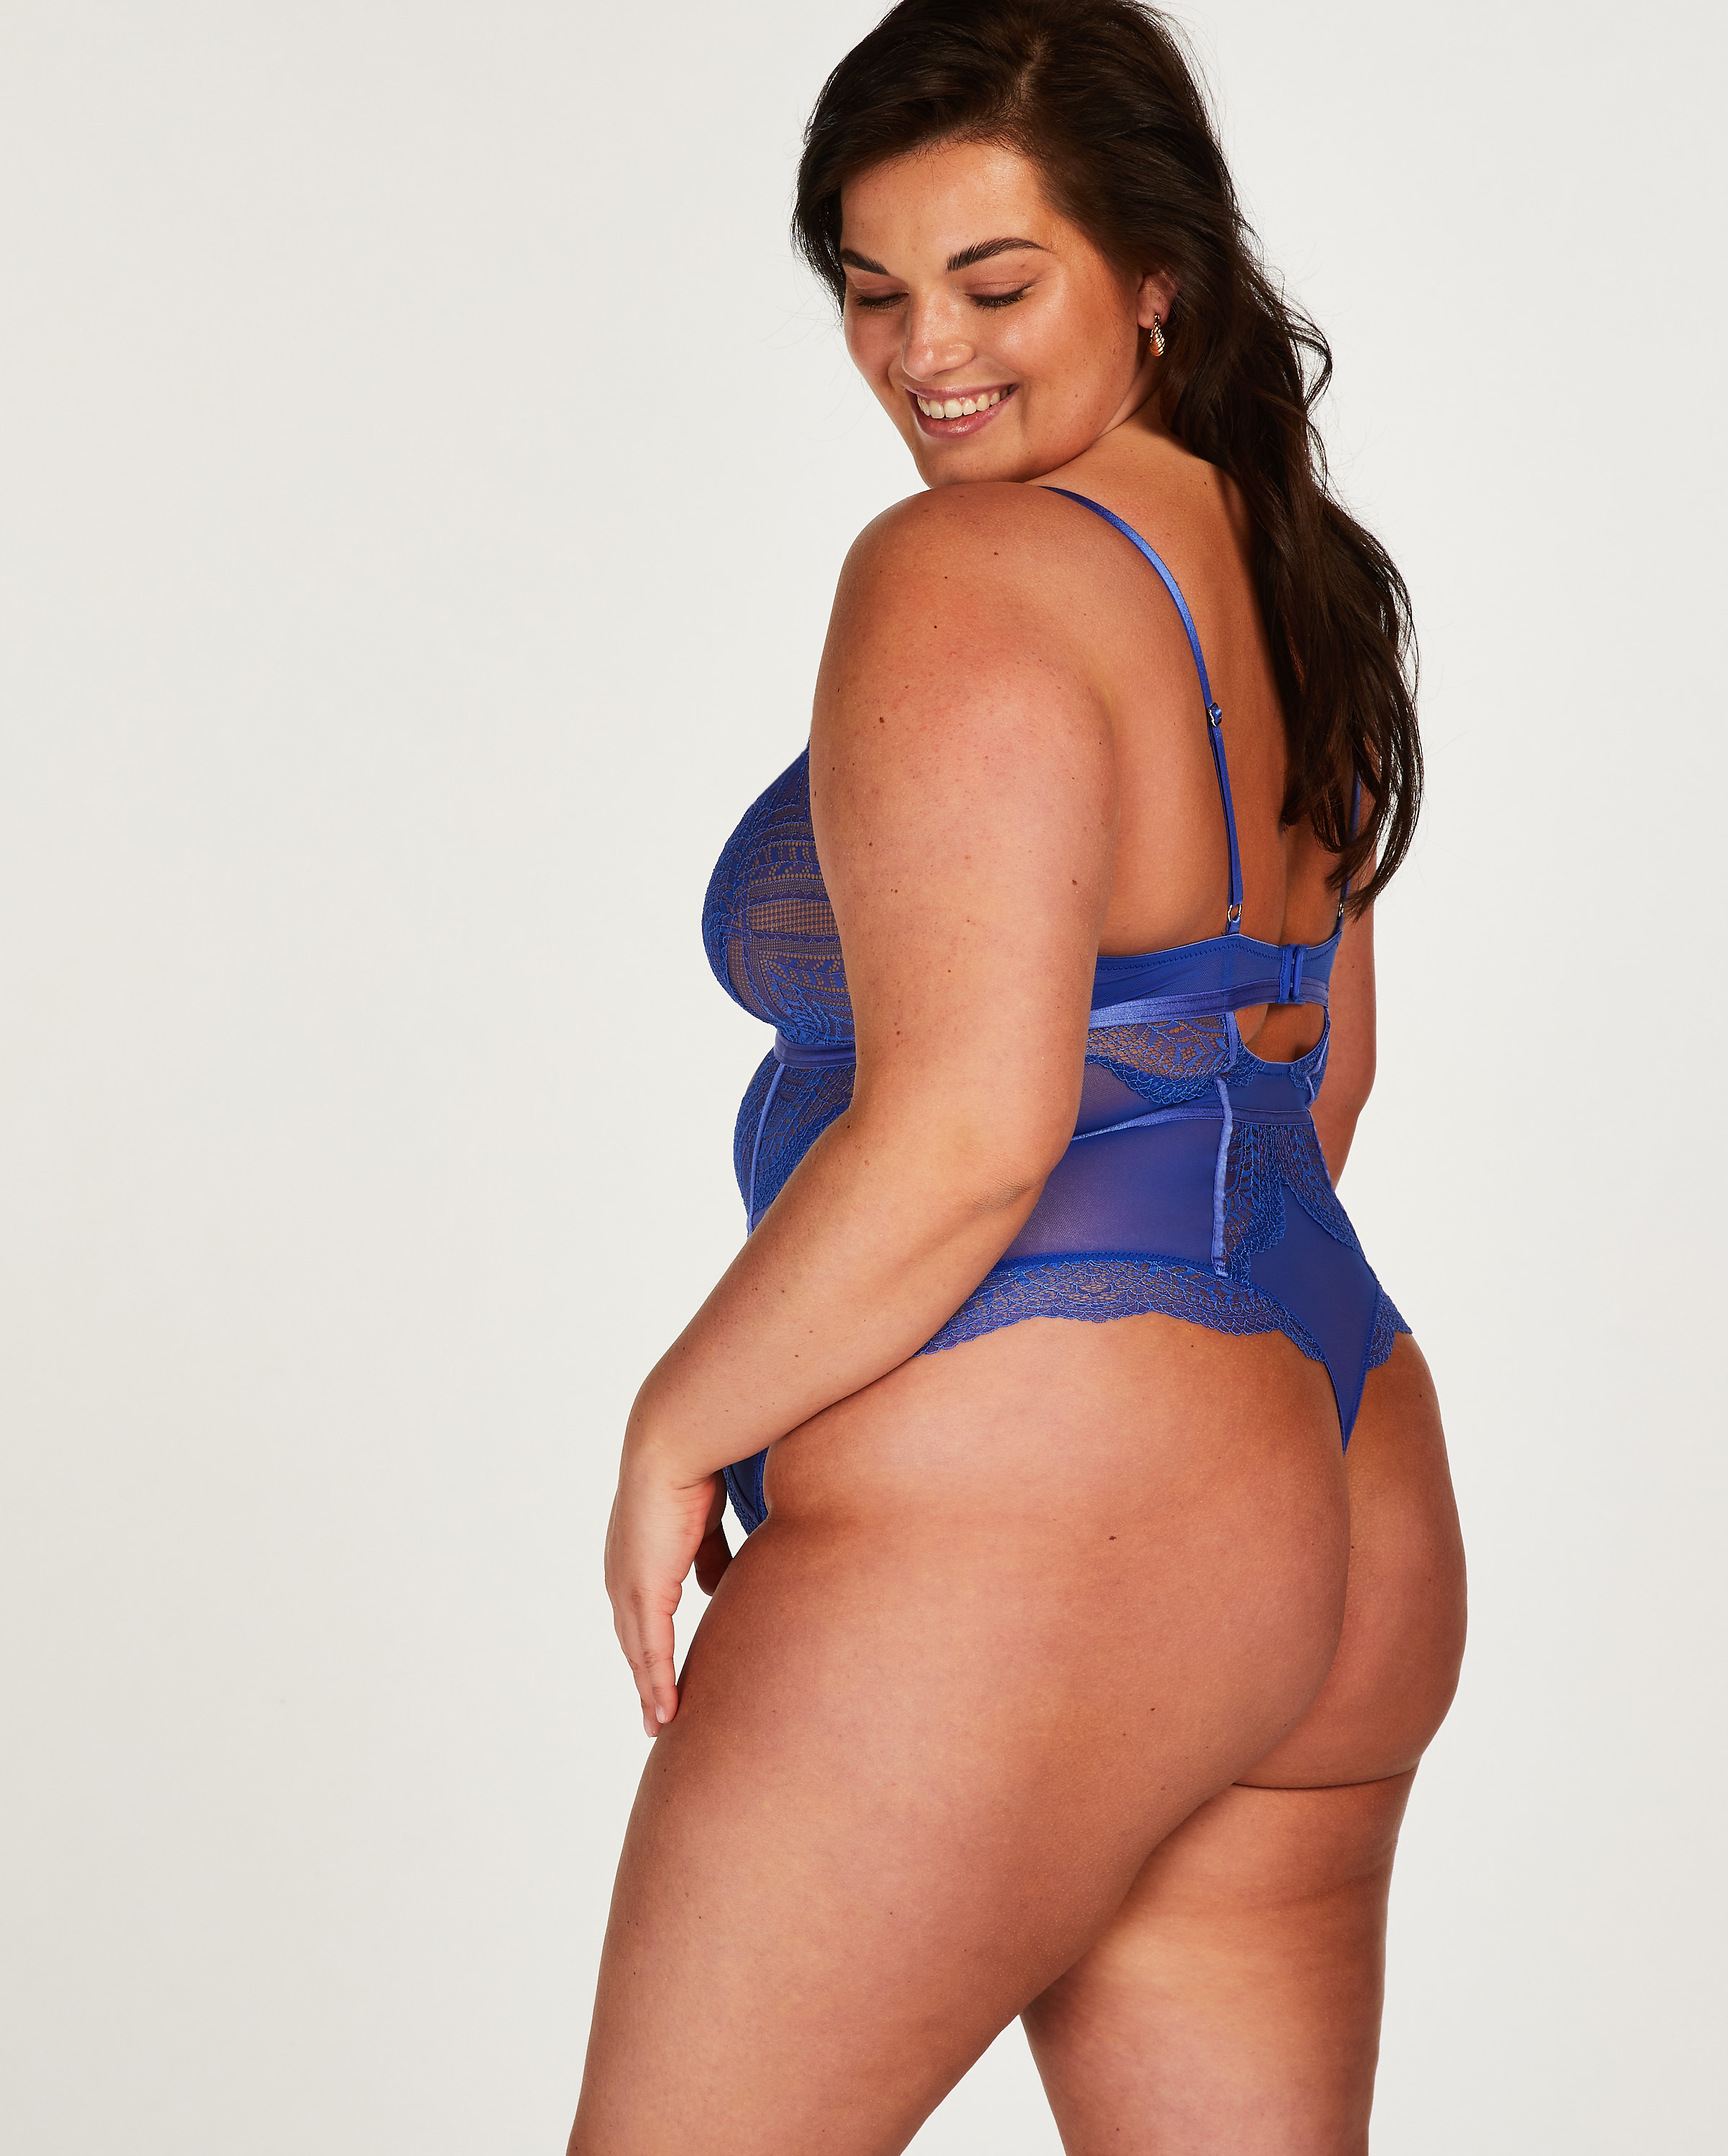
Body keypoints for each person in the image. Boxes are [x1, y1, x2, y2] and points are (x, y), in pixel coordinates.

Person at [570, 3, 1465, 2148]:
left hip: (1047, 1519)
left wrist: (681, 1423)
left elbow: (973, 1132)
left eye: (993, 284)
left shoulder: (962, 568)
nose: (924, 355)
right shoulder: (1297, 574)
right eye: (872, 291)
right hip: (1345, 1481)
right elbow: (1320, 1089)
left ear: (1155, 274)